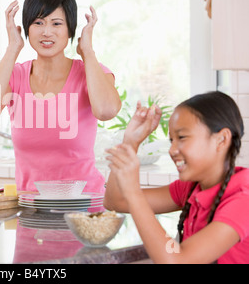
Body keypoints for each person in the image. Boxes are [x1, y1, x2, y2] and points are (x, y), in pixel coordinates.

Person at [0, 0, 121, 193]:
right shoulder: (16, 75)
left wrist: (87, 51)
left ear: (70, 28)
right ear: (27, 27)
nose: (47, 32)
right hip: (31, 210)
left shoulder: (90, 72)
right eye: (38, 22)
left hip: (83, 211)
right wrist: (12, 48)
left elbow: (107, 110)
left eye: (56, 23)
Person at [104, 91, 248, 263]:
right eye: (171, 140)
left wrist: (133, 191)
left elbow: (177, 260)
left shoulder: (243, 200)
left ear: (221, 139)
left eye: (182, 137)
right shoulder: (191, 188)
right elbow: (115, 201)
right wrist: (130, 142)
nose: (172, 150)